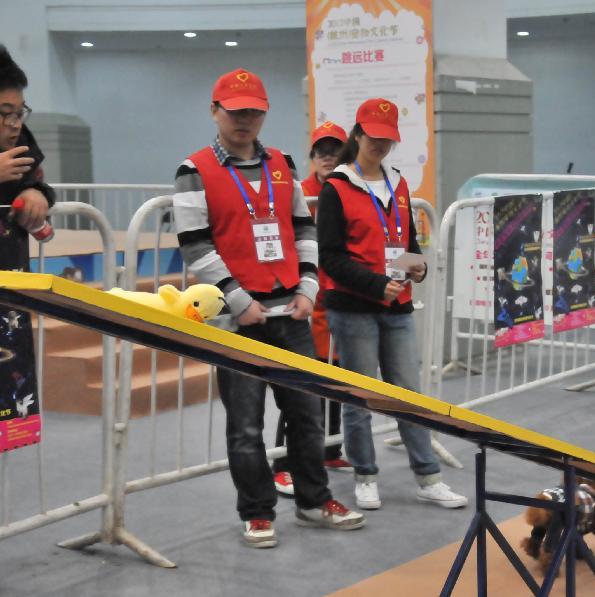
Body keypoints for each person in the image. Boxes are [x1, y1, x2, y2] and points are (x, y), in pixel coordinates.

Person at [173, 68, 364, 547]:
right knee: (245, 426)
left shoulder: (282, 163)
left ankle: (314, 502)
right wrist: (238, 302)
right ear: (215, 111)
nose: (245, 120)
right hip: (238, 321)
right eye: (236, 112)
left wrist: (308, 287)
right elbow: (196, 247)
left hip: (291, 314)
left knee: (307, 416)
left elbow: (303, 229)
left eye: (254, 112)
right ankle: (257, 512)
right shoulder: (194, 170)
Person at [317, 97, 467, 511]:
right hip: (352, 308)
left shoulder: (398, 183)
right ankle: (365, 474)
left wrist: (415, 268)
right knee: (360, 395)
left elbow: (407, 240)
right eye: (374, 137)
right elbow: (329, 256)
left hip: (397, 306)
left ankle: (428, 477)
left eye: (388, 139)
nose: (380, 145)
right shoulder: (337, 187)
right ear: (358, 135)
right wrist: (373, 284)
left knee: (409, 394)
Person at [0, 44, 57, 595]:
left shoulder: (19, 144)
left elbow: (38, 182)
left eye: (20, 111)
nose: (15, 123)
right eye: (4, 112)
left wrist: (34, 192)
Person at [272, 121, 352, 498]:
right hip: (307, 298)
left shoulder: (348, 191)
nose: (327, 156)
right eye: (321, 150)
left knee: (336, 376)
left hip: (340, 298)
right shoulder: (299, 193)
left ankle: (330, 449)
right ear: (312, 156)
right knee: (302, 386)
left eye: (334, 150)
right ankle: (283, 463)